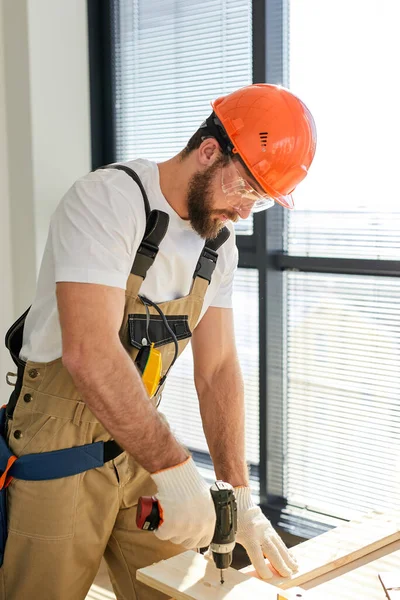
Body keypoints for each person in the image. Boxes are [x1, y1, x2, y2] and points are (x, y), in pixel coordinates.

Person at [1, 84, 316, 599]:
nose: (243, 212)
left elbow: (217, 372)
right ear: (210, 151)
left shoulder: (219, 246)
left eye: (259, 204)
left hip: (137, 436)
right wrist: (175, 469)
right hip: (57, 443)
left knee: (179, 591)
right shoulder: (109, 200)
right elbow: (90, 352)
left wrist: (240, 494)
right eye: (245, 190)